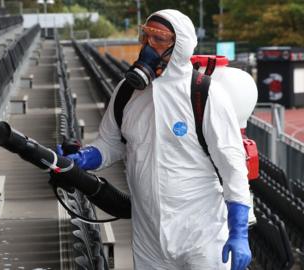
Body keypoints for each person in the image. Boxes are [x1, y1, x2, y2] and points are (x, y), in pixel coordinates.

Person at [61, 9, 252, 270]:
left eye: (159, 39)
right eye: (145, 36)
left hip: (202, 236)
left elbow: (233, 167)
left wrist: (239, 233)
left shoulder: (205, 94)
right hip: (149, 237)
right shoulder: (128, 92)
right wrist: (82, 160)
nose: (148, 46)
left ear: (179, 45)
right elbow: (110, 143)